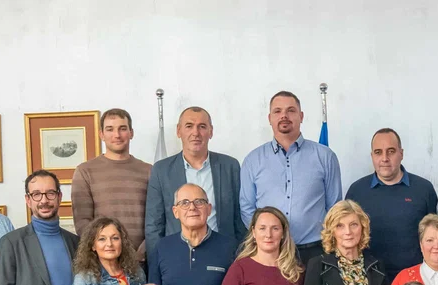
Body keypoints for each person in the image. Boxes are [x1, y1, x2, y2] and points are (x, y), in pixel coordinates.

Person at [240, 91, 343, 265]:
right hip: (271, 252)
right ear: (269, 118)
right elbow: (247, 208)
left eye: (291, 110)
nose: (284, 116)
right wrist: (266, 239)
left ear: (301, 116)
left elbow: (334, 207)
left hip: (315, 252)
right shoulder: (253, 160)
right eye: (277, 111)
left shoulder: (325, 156)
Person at [145, 106, 245, 260]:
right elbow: (154, 225)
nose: (196, 133)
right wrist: (156, 263)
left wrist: (241, 256)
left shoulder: (230, 167)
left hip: (223, 255)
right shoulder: (161, 170)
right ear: (179, 131)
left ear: (211, 131)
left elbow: (240, 219)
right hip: (177, 257)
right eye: (189, 126)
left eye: (202, 127)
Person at [344, 128, 438, 285]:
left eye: (391, 151)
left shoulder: (423, 189)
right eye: (378, 152)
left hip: (414, 279)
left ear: (401, 153)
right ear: (372, 156)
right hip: (368, 279)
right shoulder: (356, 191)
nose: (385, 158)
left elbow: (436, 235)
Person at [71, 108, 152, 259]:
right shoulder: (85, 171)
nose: (117, 135)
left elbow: (156, 220)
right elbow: (83, 223)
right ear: (101, 134)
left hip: (143, 261)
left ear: (131, 133)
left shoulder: (149, 171)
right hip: (103, 264)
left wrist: (141, 254)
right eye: (110, 129)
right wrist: (107, 253)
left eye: (122, 129)